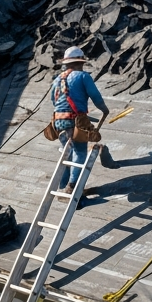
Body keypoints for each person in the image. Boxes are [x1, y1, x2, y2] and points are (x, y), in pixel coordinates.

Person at [50, 47, 108, 196]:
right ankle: (72, 186)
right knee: (80, 152)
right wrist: (104, 110)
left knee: (67, 153)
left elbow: (53, 100)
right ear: (80, 62)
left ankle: (62, 184)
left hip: (58, 121)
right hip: (74, 121)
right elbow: (95, 96)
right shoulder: (83, 76)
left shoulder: (57, 79)